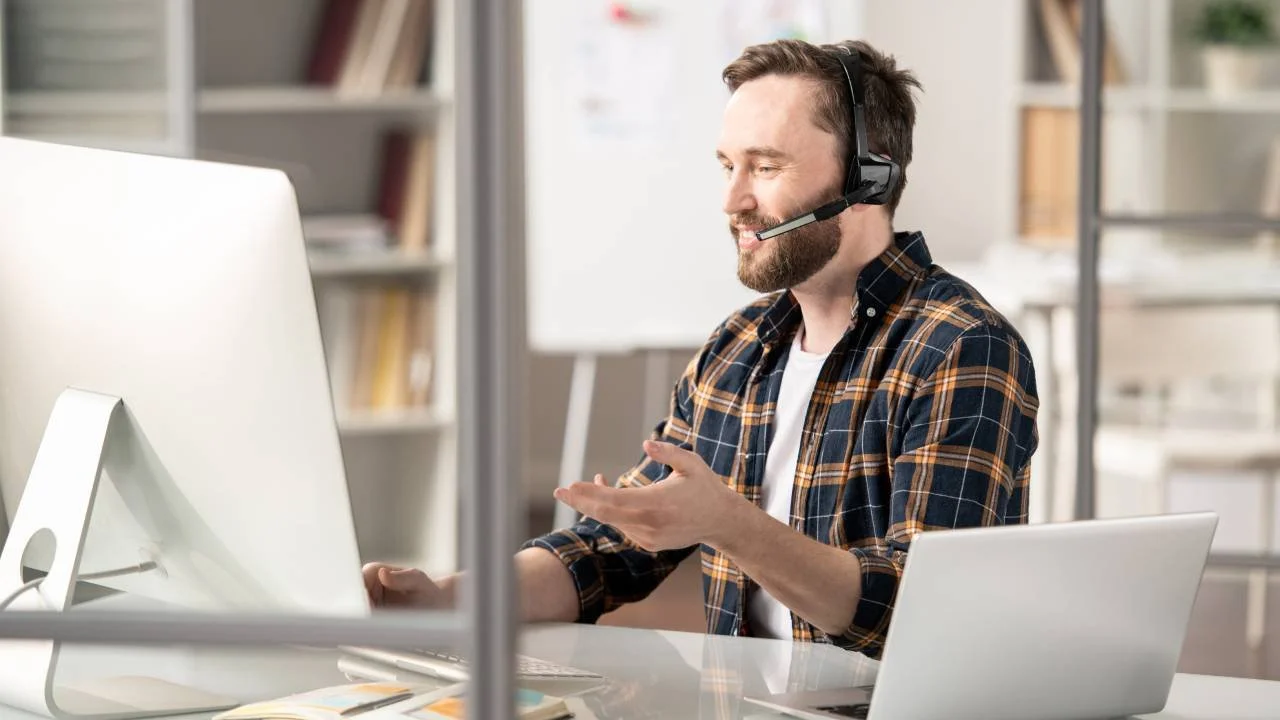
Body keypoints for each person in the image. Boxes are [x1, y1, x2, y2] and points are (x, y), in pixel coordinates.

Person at [364, 38, 1039, 660]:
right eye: (727, 166)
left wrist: (729, 524)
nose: (732, 200)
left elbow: (917, 609)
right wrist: (446, 599)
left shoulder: (960, 348)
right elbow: (610, 551)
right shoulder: (738, 346)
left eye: (765, 167)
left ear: (870, 179)